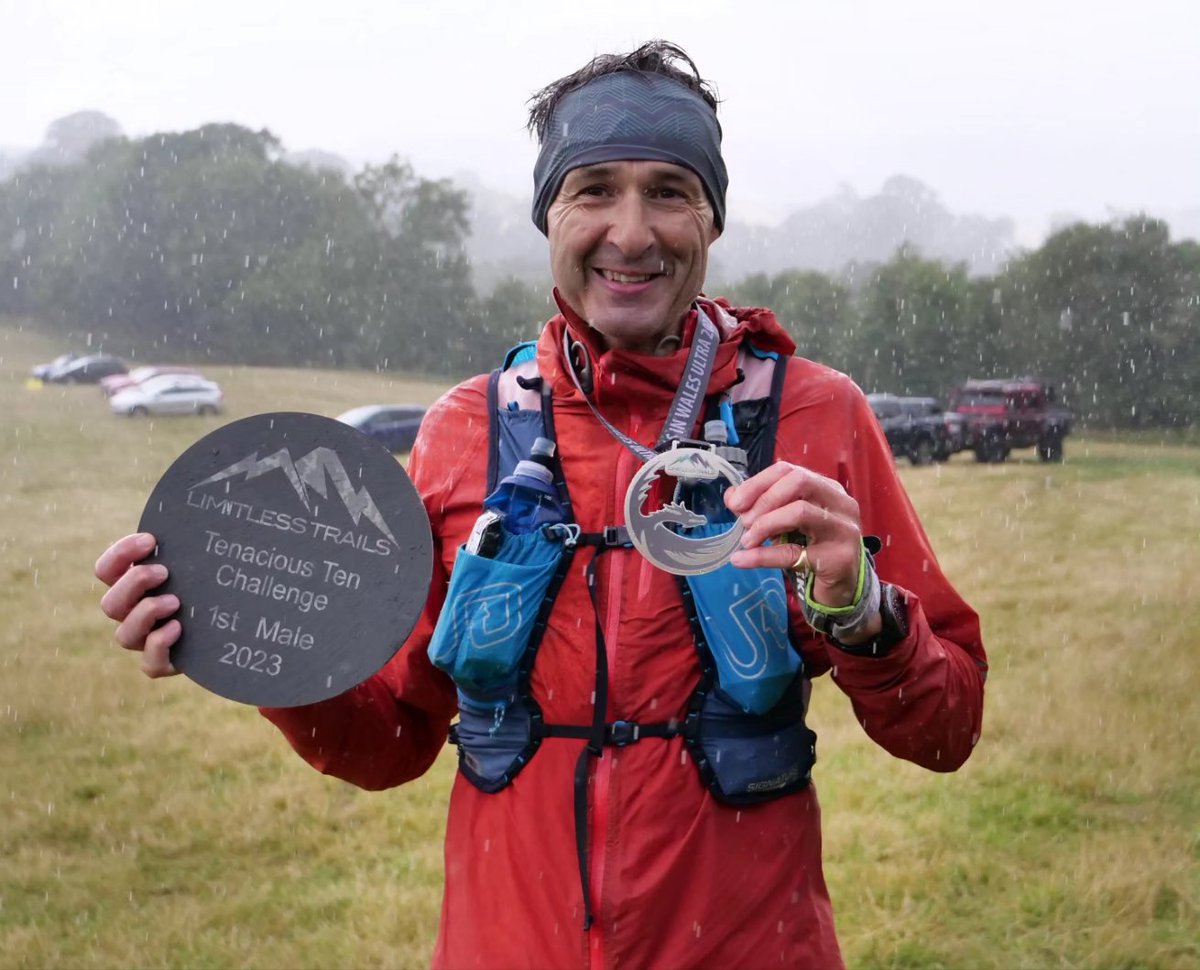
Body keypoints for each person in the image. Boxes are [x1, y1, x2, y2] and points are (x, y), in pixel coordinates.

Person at [95, 40, 986, 969]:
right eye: (594, 188)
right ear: (548, 215)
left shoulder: (816, 413)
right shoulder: (462, 429)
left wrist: (864, 612)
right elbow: (392, 739)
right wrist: (266, 646)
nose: (632, 233)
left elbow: (947, 728)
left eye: (669, 191)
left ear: (712, 221)